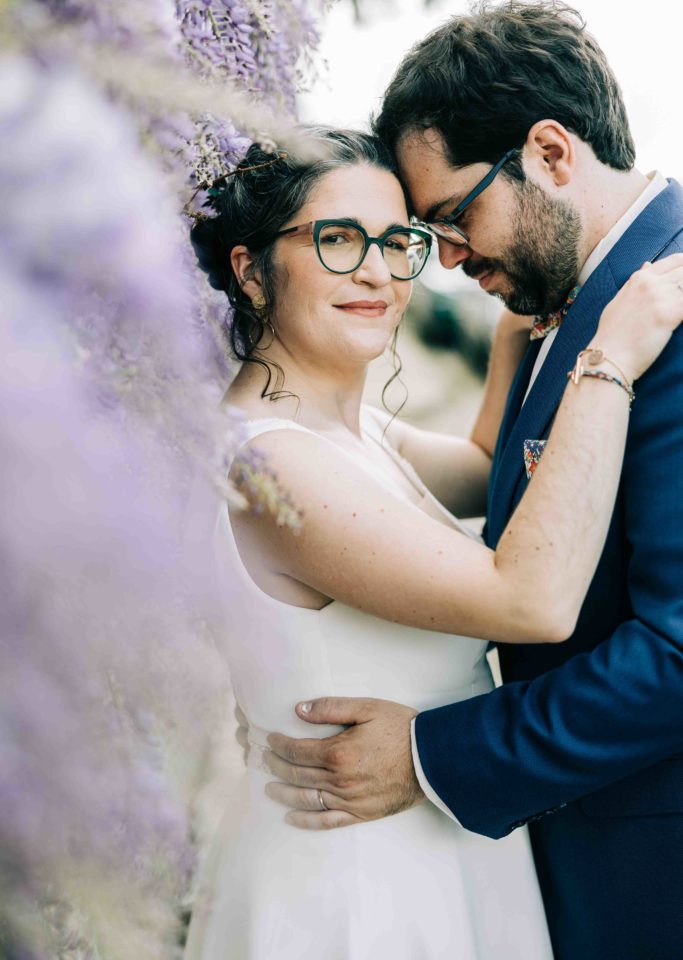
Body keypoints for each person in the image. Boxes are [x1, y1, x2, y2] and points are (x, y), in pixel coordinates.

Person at [183, 125, 683, 960]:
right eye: (337, 240)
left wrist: (520, 328)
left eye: (397, 241)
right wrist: (607, 358)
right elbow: (529, 597)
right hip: (353, 884)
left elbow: (491, 466)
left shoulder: (355, 434)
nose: (377, 271)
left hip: (431, 852)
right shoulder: (268, 463)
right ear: (249, 268)